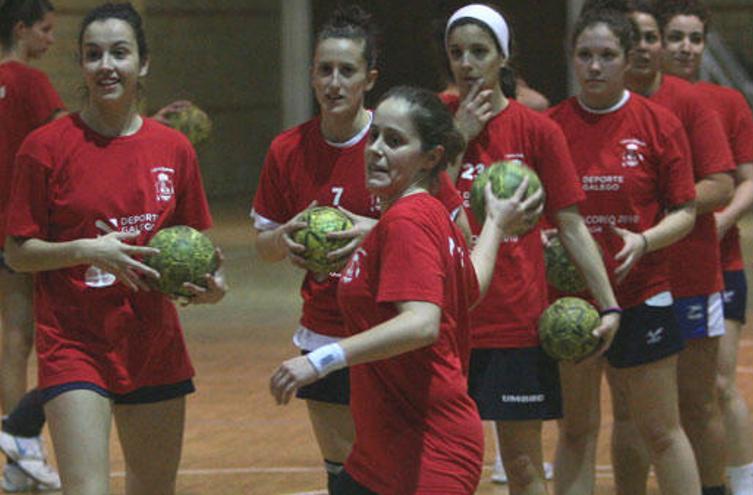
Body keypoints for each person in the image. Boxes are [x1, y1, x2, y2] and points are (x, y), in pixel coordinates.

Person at [269, 84, 541, 495]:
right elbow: (470, 285)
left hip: (427, 451)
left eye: (394, 141)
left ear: (431, 158)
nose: (376, 149)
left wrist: (320, 360)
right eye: (374, 135)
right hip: (381, 451)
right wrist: (497, 225)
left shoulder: (407, 222)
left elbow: (422, 323)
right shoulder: (430, 213)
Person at [3, 3, 227, 494]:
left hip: (154, 345)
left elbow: (196, 246)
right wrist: (87, 249)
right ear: (82, 64)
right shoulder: (45, 147)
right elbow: (18, 252)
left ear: (142, 63)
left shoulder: (173, 149)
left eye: (119, 53)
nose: (107, 65)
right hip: (75, 344)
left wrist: (211, 287)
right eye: (94, 54)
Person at [252, 7, 469, 492]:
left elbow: (456, 242)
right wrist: (286, 234)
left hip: (394, 333)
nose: (334, 81)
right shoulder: (287, 150)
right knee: (343, 474)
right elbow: (265, 247)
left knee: (395, 469)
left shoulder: (399, 146)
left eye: (346, 70)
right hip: (326, 327)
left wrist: (378, 230)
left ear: (368, 78)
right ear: (311, 74)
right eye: (324, 69)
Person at [443, 5, 621, 494]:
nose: (467, 63)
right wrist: (458, 137)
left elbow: (571, 224)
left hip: (512, 321)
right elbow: (415, 196)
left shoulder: (538, 130)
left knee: (522, 466)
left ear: (503, 57)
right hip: (444, 318)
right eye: (457, 53)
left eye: (479, 52)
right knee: (443, 464)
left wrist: (608, 302)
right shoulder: (436, 119)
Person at [548, 6, 701, 495]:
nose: (595, 66)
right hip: (573, 302)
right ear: (572, 58)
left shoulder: (658, 124)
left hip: (643, 291)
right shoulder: (549, 128)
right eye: (585, 55)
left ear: (627, 59)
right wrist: (541, 237)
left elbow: (685, 211)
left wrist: (645, 240)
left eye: (607, 55)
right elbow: (528, 210)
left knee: (660, 429)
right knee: (576, 429)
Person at [653, 2, 753, 493]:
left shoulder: (726, 102)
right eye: (675, 37)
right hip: (657, 266)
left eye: (695, 39)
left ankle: (740, 483)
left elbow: (747, 179)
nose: (685, 48)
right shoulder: (640, 99)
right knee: (661, 399)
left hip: (718, 261)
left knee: (714, 387)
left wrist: (722, 218)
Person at [0, 0, 64, 490]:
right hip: (20, 225)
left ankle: (18, 453)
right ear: (20, 30)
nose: (50, 40)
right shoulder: (32, 82)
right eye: (44, 30)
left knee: (12, 335)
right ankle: (20, 437)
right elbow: (68, 138)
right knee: (32, 335)